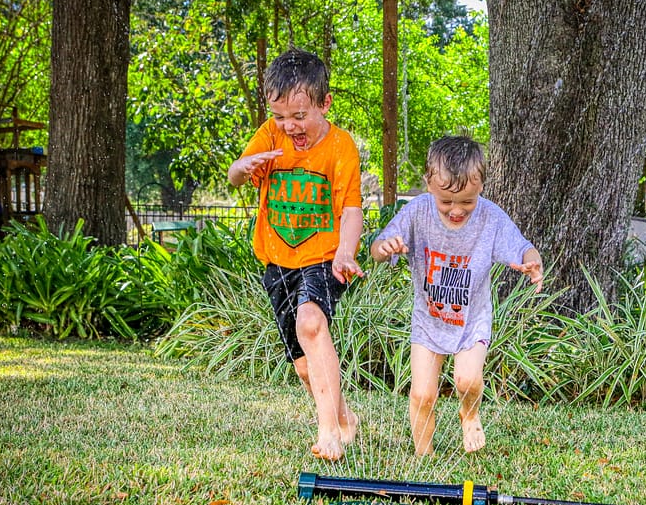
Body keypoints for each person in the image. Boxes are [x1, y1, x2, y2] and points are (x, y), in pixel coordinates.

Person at [228, 48, 364, 462]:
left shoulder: (341, 148)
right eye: (280, 116)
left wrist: (345, 252)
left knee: (311, 323)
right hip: (277, 261)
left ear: (325, 103)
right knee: (304, 364)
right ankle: (343, 418)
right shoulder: (269, 135)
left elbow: (352, 209)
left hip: (323, 258)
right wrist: (244, 166)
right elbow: (235, 176)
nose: (289, 126)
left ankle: (328, 434)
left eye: (299, 116)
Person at [370, 136, 543, 456]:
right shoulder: (417, 211)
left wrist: (533, 262)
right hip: (428, 321)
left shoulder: (490, 217)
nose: (456, 210)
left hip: (471, 320)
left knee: (467, 380)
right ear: (429, 185)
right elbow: (378, 248)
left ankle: (470, 414)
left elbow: (521, 246)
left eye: (467, 202)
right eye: (447, 202)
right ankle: (425, 456)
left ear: (481, 188)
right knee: (422, 395)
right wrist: (386, 247)